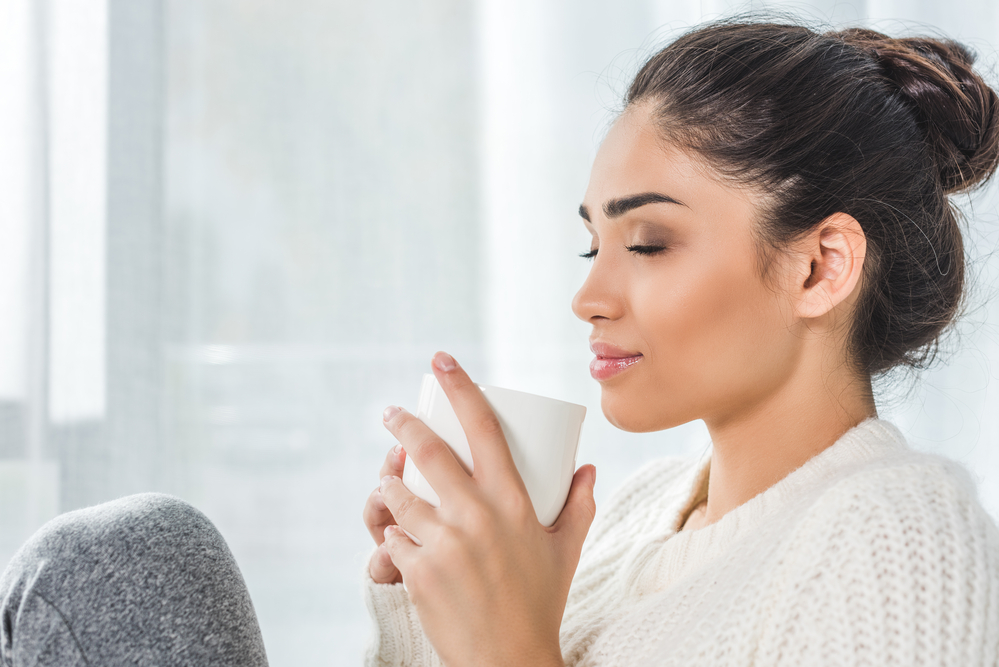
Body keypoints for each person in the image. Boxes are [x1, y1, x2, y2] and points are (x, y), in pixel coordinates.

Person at [361, 19, 999, 667]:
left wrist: (503, 650)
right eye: (593, 245)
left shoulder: (900, 547)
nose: (587, 299)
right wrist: (436, 605)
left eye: (647, 244)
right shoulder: (641, 511)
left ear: (819, 267)